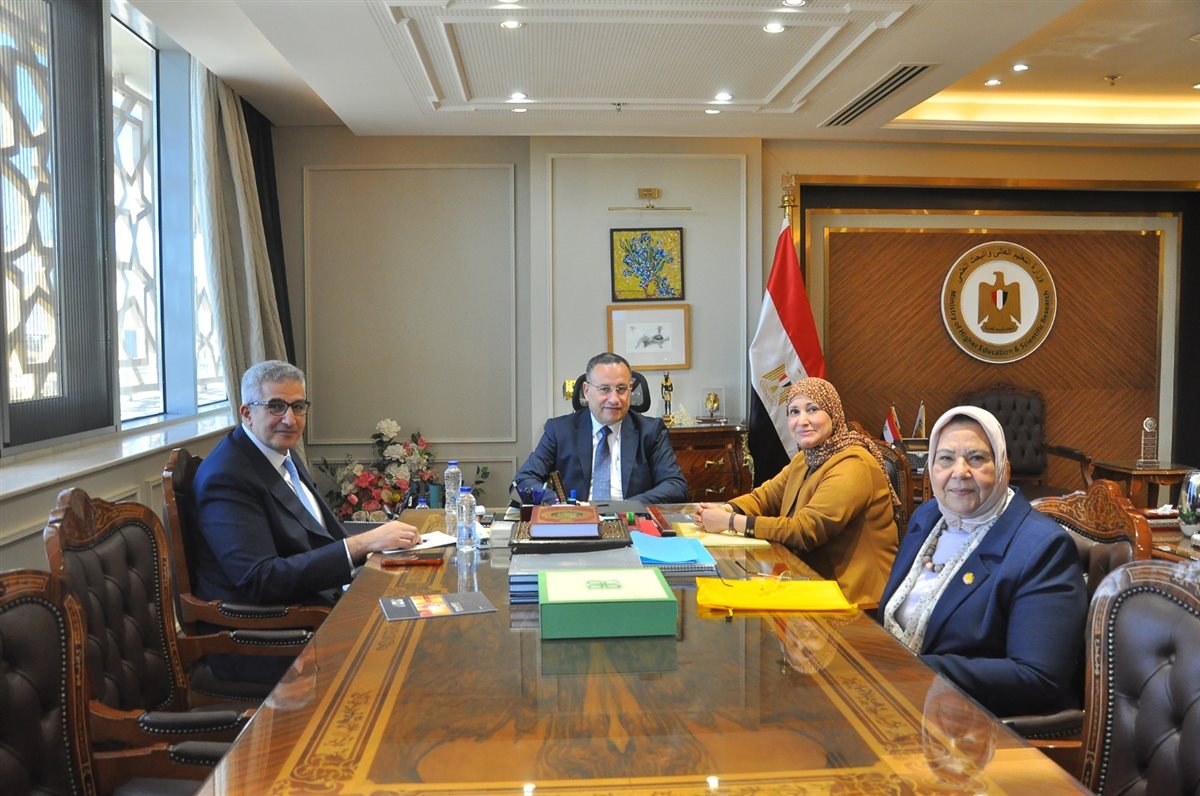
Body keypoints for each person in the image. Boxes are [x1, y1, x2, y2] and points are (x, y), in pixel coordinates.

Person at [192, 360, 421, 683]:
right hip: (265, 641)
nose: (290, 419)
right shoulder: (227, 476)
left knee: (423, 622)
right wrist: (361, 544)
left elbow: (319, 535)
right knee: (409, 656)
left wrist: (374, 549)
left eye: (298, 406)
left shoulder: (280, 452)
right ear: (246, 413)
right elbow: (259, 578)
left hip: (318, 608)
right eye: (275, 406)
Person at [878, 406, 1086, 717]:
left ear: (1004, 468)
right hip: (901, 702)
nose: (960, 472)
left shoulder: (1042, 548)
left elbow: (1038, 677)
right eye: (945, 458)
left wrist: (910, 669)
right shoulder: (929, 517)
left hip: (983, 727)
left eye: (976, 458)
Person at [693, 378, 900, 604]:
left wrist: (730, 522)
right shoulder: (807, 458)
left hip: (854, 602)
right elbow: (764, 497)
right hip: (808, 583)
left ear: (833, 414)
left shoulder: (854, 464)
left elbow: (804, 531)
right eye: (794, 412)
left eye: (812, 409)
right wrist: (725, 509)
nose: (802, 421)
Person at [513, 352, 688, 505]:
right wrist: (563, 505)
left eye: (621, 389)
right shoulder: (559, 430)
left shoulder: (651, 431)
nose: (614, 399)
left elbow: (675, 486)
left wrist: (626, 507)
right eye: (604, 389)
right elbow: (524, 480)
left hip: (632, 520)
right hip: (576, 521)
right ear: (586, 391)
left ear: (630, 390)